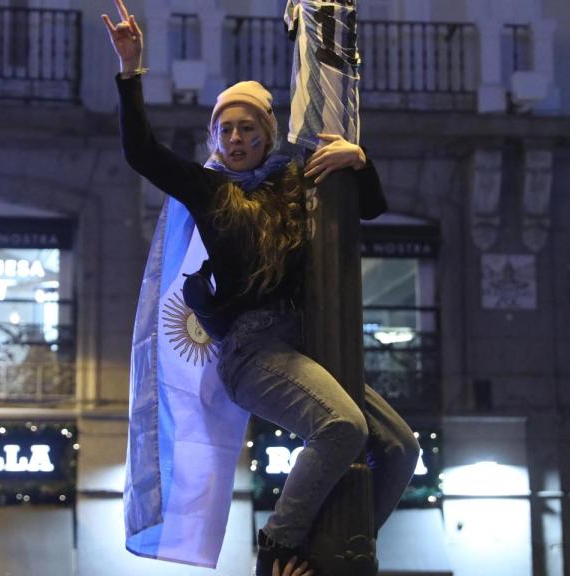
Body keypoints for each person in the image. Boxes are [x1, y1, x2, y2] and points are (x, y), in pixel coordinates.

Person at [102, 1, 421, 574]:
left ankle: (336, 548)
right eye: (225, 128)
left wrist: (358, 157)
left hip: (307, 348)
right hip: (252, 355)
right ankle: (277, 545)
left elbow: (368, 207)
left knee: (400, 449)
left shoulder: (294, 183)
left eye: (247, 127)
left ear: (266, 135)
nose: (235, 136)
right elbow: (140, 152)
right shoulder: (209, 191)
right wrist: (130, 71)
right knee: (342, 428)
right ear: (215, 138)